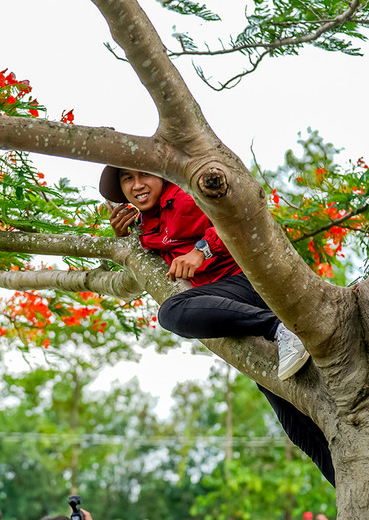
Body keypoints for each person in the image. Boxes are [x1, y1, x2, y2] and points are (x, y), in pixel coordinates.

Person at [102, 166, 334, 487]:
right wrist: (124, 238)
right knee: (300, 429)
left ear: (161, 177)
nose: (137, 185)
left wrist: (201, 250)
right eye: (127, 179)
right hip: (225, 304)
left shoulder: (186, 197)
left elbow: (238, 218)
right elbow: (137, 258)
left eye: (144, 176)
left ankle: (279, 329)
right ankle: (352, 498)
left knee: (173, 311)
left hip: (249, 282)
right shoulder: (147, 227)